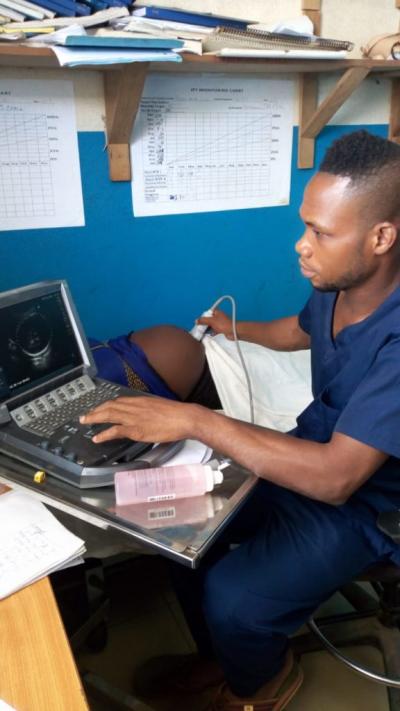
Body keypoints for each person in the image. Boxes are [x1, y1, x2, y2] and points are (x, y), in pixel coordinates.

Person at [83, 129, 400, 711]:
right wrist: (235, 330)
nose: (301, 246)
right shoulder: (339, 281)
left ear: (381, 237)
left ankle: (262, 683)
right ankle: (230, 657)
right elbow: (300, 331)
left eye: (319, 232)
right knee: (181, 528)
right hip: (309, 454)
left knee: (234, 596)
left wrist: (195, 420)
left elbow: (337, 479)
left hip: (370, 506)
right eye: (306, 226)